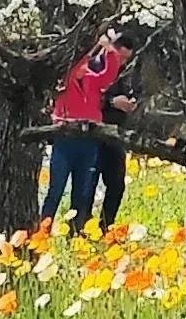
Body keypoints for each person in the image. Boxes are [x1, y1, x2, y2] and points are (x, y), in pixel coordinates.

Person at [40, 25, 136, 233]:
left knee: (82, 192)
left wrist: (109, 51)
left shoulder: (95, 79)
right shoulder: (65, 79)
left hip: (91, 139)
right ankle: (43, 232)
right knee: (56, 190)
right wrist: (97, 47)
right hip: (66, 139)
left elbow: (107, 75)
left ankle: (80, 232)